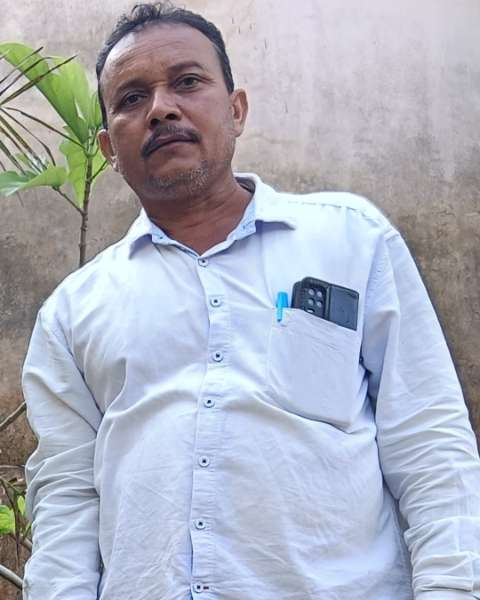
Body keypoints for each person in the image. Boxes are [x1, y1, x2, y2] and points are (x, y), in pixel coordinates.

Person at [21, 2, 480, 599]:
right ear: (109, 148)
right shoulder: (73, 311)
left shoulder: (350, 240)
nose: (161, 108)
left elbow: (428, 440)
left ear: (236, 110)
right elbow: (66, 497)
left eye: (188, 82)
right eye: (133, 98)